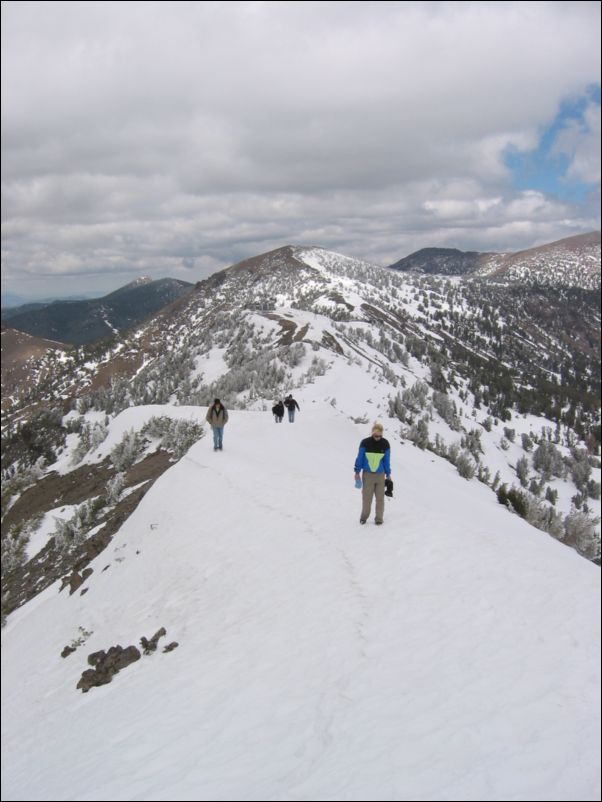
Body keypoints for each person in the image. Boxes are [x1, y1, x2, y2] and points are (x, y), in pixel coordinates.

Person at [354, 422, 391, 525]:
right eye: (375, 436)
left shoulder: (385, 444)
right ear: (372, 433)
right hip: (368, 475)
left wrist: (388, 474)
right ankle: (363, 517)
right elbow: (360, 458)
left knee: (380, 499)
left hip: (380, 475)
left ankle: (379, 519)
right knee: (367, 498)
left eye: (380, 436)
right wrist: (357, 472)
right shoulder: (365, 443)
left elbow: (386, 460)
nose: (377, 438)